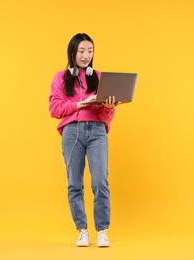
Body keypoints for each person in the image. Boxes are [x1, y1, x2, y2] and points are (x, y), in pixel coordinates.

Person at [49, 33, 119, 247]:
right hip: (72, 133)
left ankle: (102, 231)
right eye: (82, 51)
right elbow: (54, 109)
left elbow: (106, 116)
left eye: (90, 51)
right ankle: (82, 230)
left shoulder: (98, 77)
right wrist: (79, 105)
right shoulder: (60, 78)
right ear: (73, 52)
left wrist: (108, 107)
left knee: (100, 181)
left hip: (97, 131)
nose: (86, 55)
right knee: (74, 184)